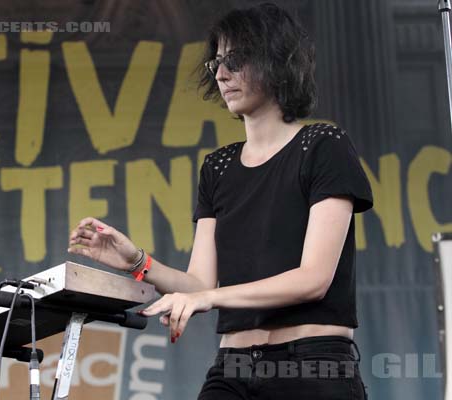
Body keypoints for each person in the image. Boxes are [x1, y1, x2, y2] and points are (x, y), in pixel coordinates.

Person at [68, 3, 373, 399]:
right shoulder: (218, 167)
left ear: (277, 59)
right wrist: (137, 262)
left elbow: (313, 280)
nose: (222, 73)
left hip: (312, 362)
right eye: (217, 63)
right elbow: (199, 281)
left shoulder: (323, 146)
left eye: (236, 59)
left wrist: (206, 298)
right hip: (233, 366)